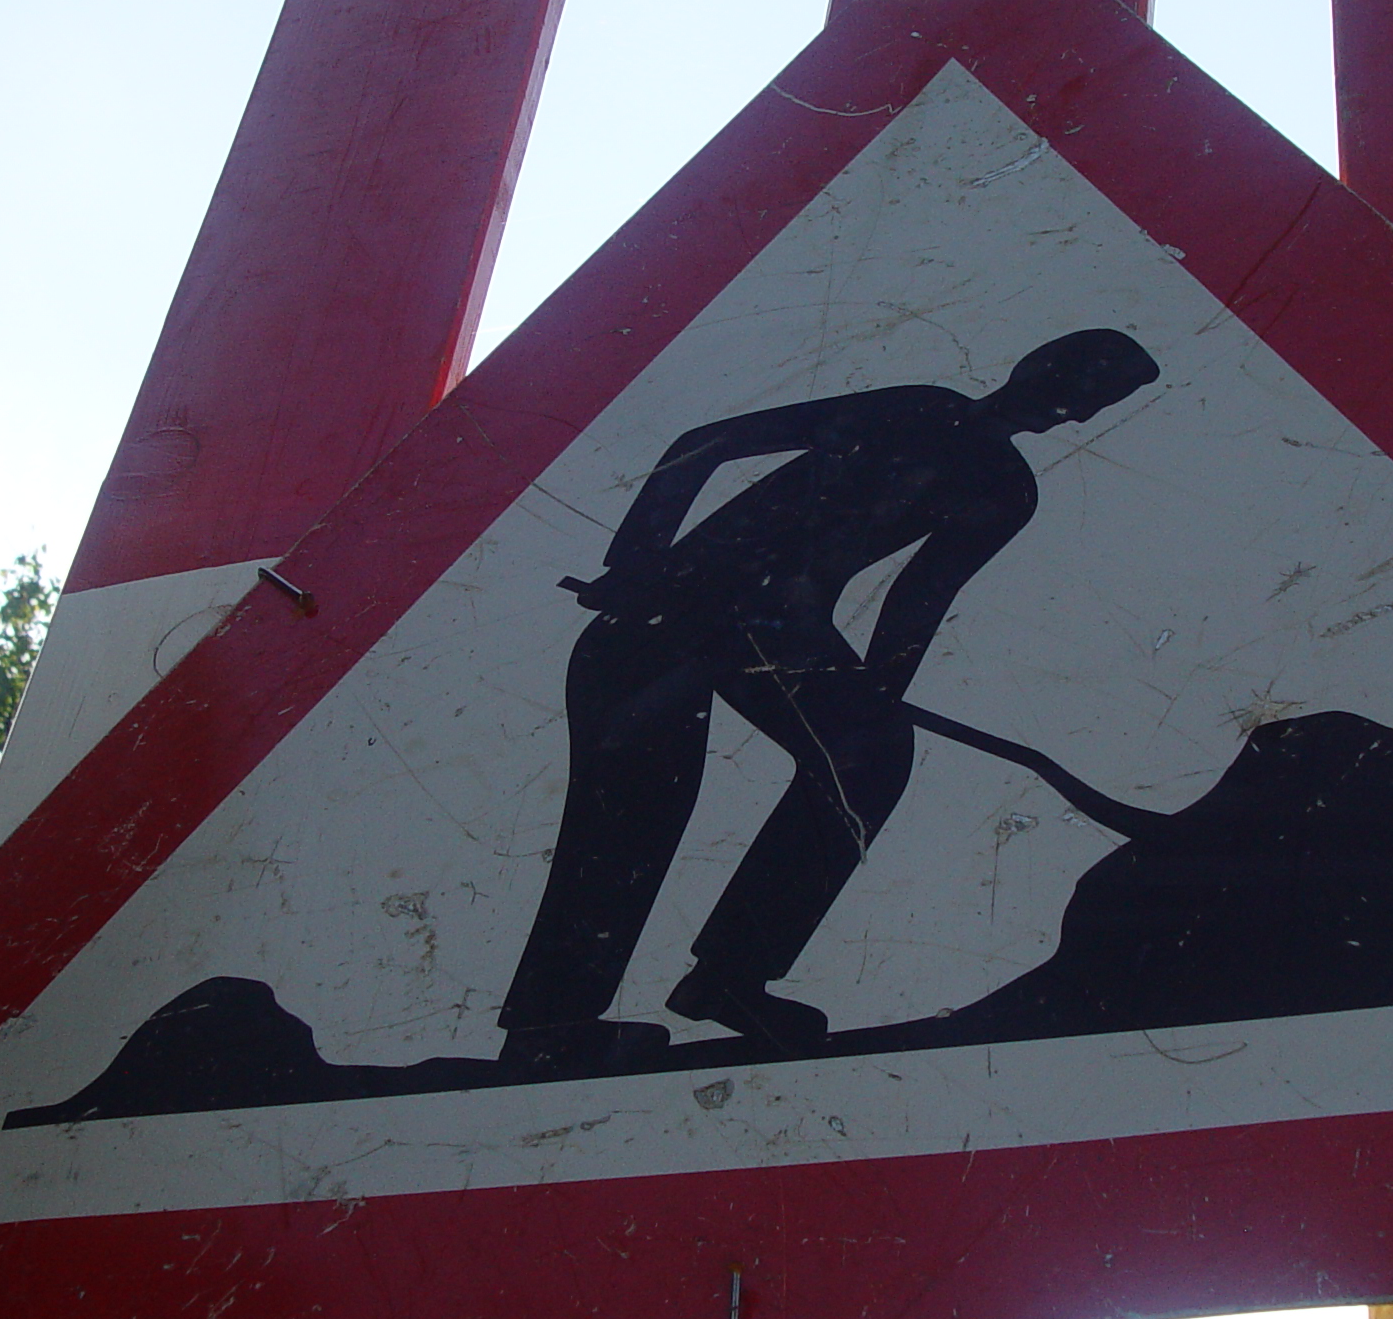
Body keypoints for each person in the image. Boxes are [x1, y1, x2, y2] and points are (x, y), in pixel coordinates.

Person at [495, 328, 1161, 1074]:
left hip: (783, 636)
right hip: (670, 608)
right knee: (635, 804)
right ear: (1037, 362)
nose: (1072, 409)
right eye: (1075, 383)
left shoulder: (1007, 490)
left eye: (1098, 401)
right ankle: (551, 1024)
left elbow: (919, 600)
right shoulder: (918, 406)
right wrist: (636, 560)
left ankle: (731, 979)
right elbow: (708, 441)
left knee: (869, 756)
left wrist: (881, 693)